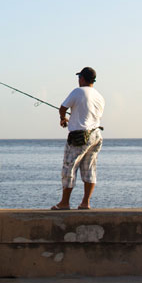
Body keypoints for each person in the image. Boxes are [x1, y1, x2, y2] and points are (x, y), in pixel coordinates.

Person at [51, 66, 105, 210]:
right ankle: (85, 203)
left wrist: (63, 119)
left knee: (69, 167)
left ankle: (64, 203)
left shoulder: (78, 91)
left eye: (79, 77)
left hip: (79, 136)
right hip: (96, 135)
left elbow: (63, 108)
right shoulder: (99, 96)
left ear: (82, 78)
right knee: (89, 169)